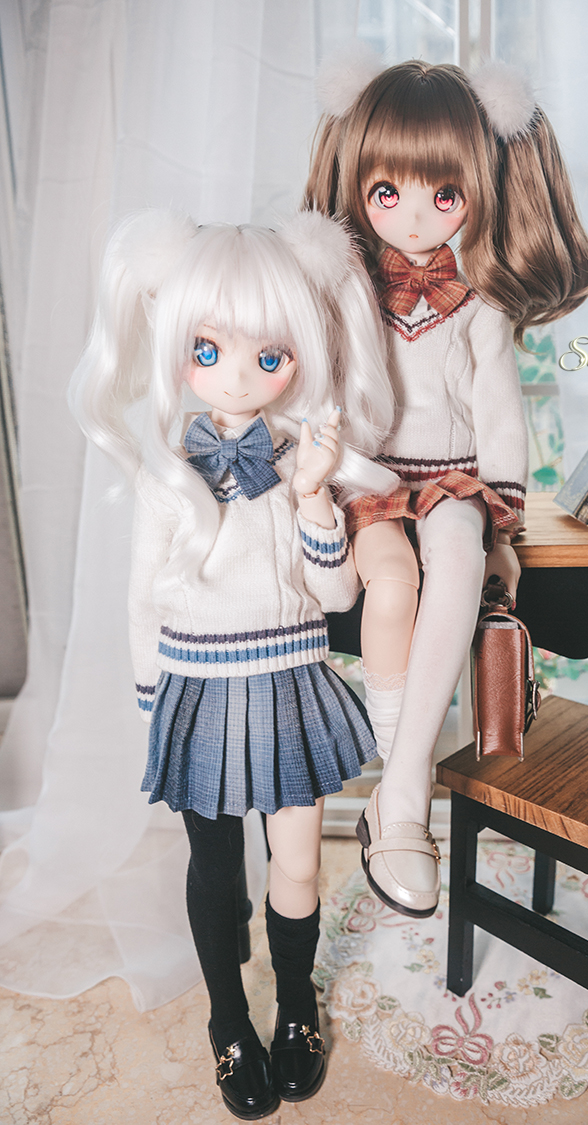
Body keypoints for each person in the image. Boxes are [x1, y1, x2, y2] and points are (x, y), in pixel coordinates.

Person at [70, 209, 394, 1119]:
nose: (239, 374)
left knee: (297, 861)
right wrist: (153, 705)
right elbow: (143, 600)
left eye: (269, 353)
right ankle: (226, 1019)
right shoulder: (166, 471)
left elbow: (336, 594)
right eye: (207, 350)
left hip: (289, 685)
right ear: (176, 348)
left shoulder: (300, 460)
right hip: (200, 693)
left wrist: (315, 497)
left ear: (300, 354)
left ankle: (295, 1005)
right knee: (216, 872)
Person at [305, 57, 588, 918]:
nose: (414, 217)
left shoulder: (480, 299)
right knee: (394, 584)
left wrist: (503, 523)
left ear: (477, 189)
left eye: (444, 195)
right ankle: (402, 788)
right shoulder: (345, 285)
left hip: (452, 479)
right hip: (369, 479)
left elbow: (500, 413)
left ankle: (400, 794)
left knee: (461, 551)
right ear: (358, 184)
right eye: (386, 191)